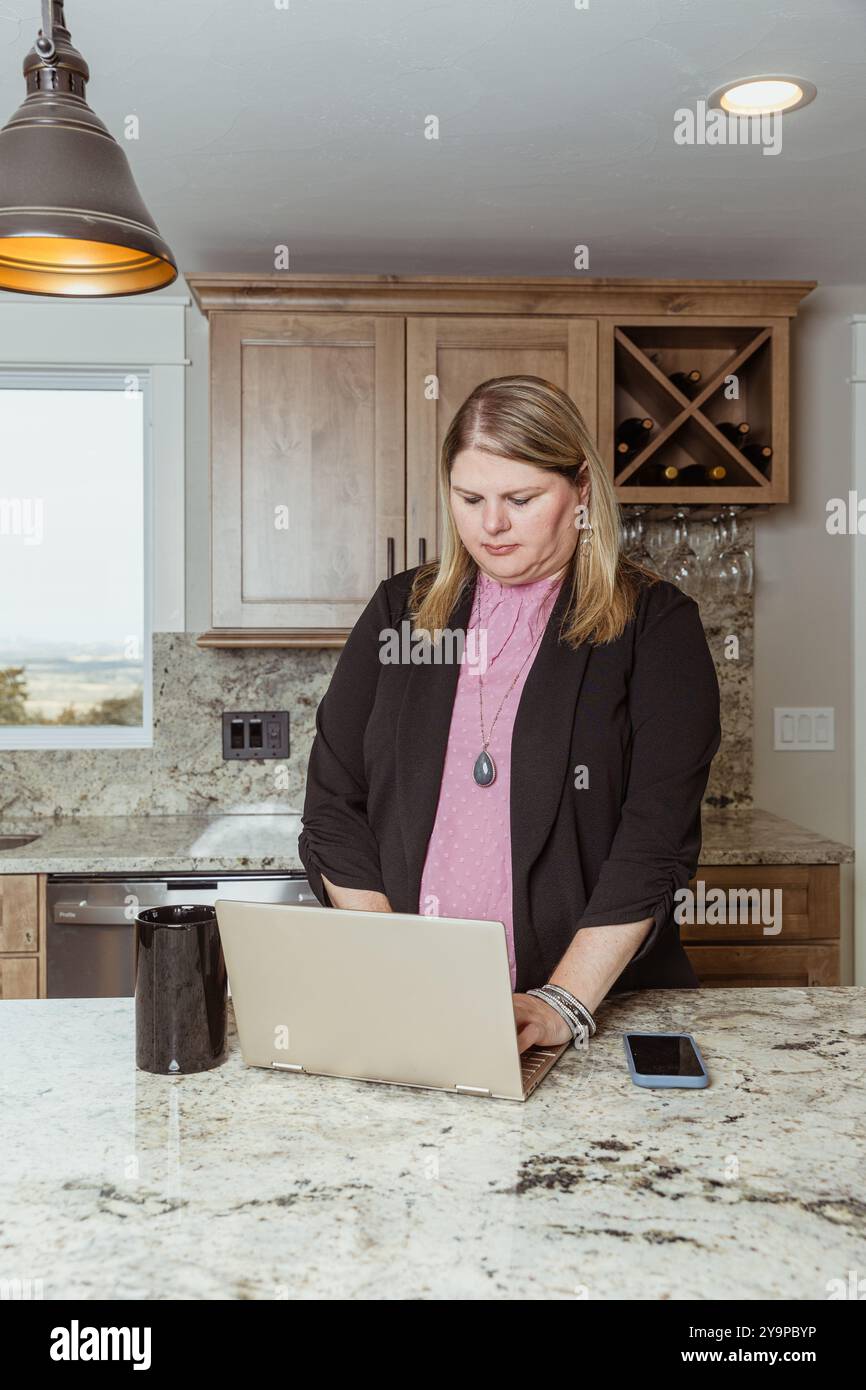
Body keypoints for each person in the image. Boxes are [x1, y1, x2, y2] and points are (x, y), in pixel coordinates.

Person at [298, 375, 721, 1053]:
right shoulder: (399, 612)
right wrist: (392, 962)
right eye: (470, 499)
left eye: (520, 499)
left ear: (581, 489)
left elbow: (655, 837)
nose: (490, 526)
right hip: (414, 1012)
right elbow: (333, 805)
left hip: (588, 1017)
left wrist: (565, 1002)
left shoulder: (656, 626)